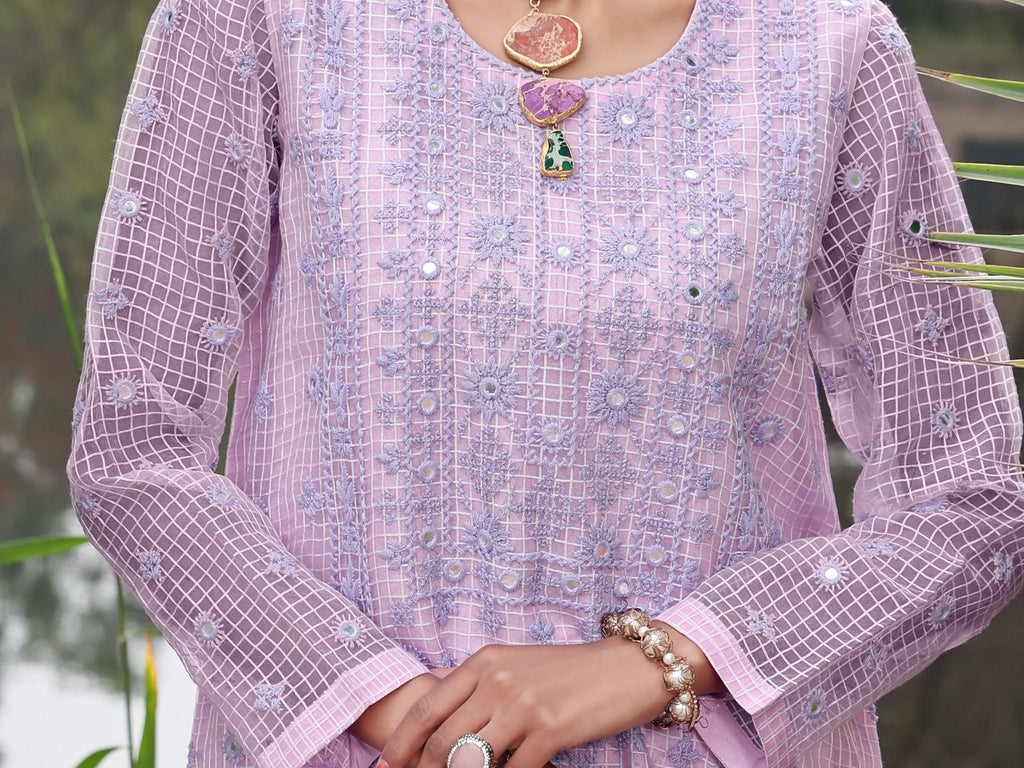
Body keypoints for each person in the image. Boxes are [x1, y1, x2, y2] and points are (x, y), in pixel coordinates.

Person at [66, 0, 1024, 766]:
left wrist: (667, 660)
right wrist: (404, 714)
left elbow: (974, 498)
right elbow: (132, 444)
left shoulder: (826, 42)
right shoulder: (265, 19)